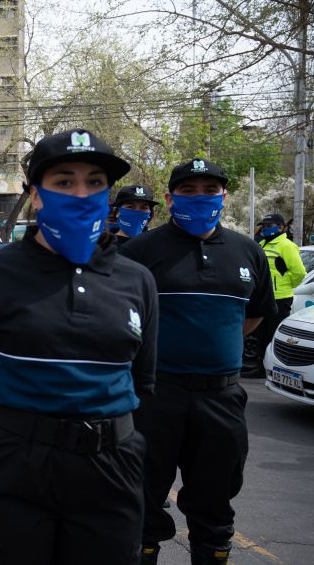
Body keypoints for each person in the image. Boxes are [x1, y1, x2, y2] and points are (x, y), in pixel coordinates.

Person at [0, 129, 158, 564]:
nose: (81, 193)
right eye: (64, 182)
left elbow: (141, 389)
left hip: (109, 472)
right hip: (10, 467)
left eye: (95, 182)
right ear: (36, 195)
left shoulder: (138, 280)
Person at [121, 159, 275, 565]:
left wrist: (212, 344)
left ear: (224, 196)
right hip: (154, 397)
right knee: (141, 504)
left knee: (215, 506)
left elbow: (254, 315)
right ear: (170, 198)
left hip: (221, 400)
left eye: (210, 190)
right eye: (189, 190)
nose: (200, 197)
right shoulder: (140, 251)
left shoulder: (248, 252)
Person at [244, 212, 306, 378]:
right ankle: (260, 367)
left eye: (269, 226)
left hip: (280, 298)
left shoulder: (286, 245)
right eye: (263, 226)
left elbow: (299, 273)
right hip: (263, 297)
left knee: (272, 334)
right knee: (261, 335)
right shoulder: (263, 243)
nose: (265, 229)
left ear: (281, 227)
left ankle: (269, 369)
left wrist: (285, 286)